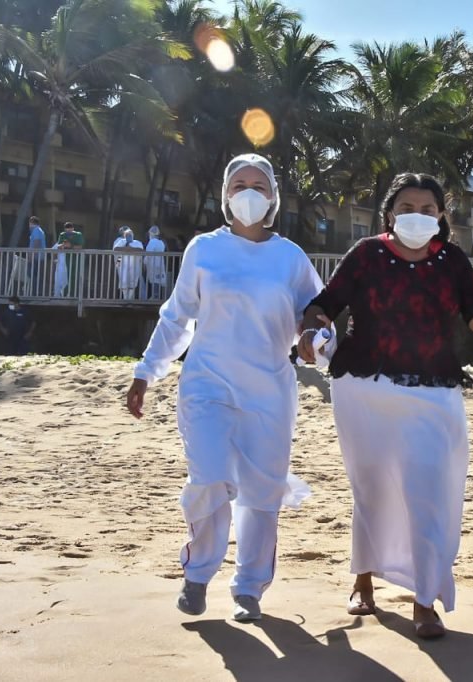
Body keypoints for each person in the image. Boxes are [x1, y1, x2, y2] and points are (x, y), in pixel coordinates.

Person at [297, 173, 473, 639]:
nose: (416, 215)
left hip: (433, 390)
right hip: (364, 388)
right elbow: (324, 305)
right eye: (406, 207)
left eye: (426, 208)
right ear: (389, 213)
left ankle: (424, 600)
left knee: (429, 494)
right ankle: (363, 580)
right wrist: (310, 331)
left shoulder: (452, 260)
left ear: (440, 216)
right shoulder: (366, 254)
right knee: (372, 490)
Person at [126, 154, 324, 622]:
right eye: (239, 184)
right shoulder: (204, 249)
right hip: (207, 385)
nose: (249, 192)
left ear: (274, 196)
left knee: (261, 492)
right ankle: (197, 576)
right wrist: (146, 370)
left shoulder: (290, 258)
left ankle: (249, 589)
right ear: (225, 195)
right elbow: (178, 316)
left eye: (259, 184)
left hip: (269, 393)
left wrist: (320, 344)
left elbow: (315, 319)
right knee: (209, 477)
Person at [113, 227, 145, 299]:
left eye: (130, 235)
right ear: (124, 235)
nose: (129, 236)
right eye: (127, 235)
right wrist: (126, 248)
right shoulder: (121, 241)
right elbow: (116, 249)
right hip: (122, 265)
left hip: (134, 265)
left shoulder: (137, 242)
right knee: (123, 281)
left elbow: (141, 250)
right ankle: (125, 298)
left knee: (132, 282)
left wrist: (130, 249)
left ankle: (129, 298)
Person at [57, 222, 85, 296]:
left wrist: (70, 246)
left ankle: (73, 295)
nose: (68, 232)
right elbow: (58, 246)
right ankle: (63, 294)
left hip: (76, 260)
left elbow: (80, 247)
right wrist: (63, 245)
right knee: (64, 277)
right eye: (67, 231)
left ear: (73, 229)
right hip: (65, 260)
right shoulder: (62, 235)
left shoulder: (78, 235)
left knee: (74, 278)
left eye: (70, 230)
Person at [144, 225, 168, 300]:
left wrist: (144, 262)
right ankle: (156, 295)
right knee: (157, 280)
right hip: (160, 263)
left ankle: (155, 296)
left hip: (153, 263)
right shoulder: (161, 243)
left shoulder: (152, 242)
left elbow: (148, 253)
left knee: (154, 280)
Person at [27, 216, 47, 297]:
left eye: (30, 223)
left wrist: (31, 256)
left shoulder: (36, 231)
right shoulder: (40, 230)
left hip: (36, 257)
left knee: (32, 274)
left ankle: (35, 293)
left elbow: (36, 243)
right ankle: (37, 292)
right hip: (39, 257)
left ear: (32, 223)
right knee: (36, 276)